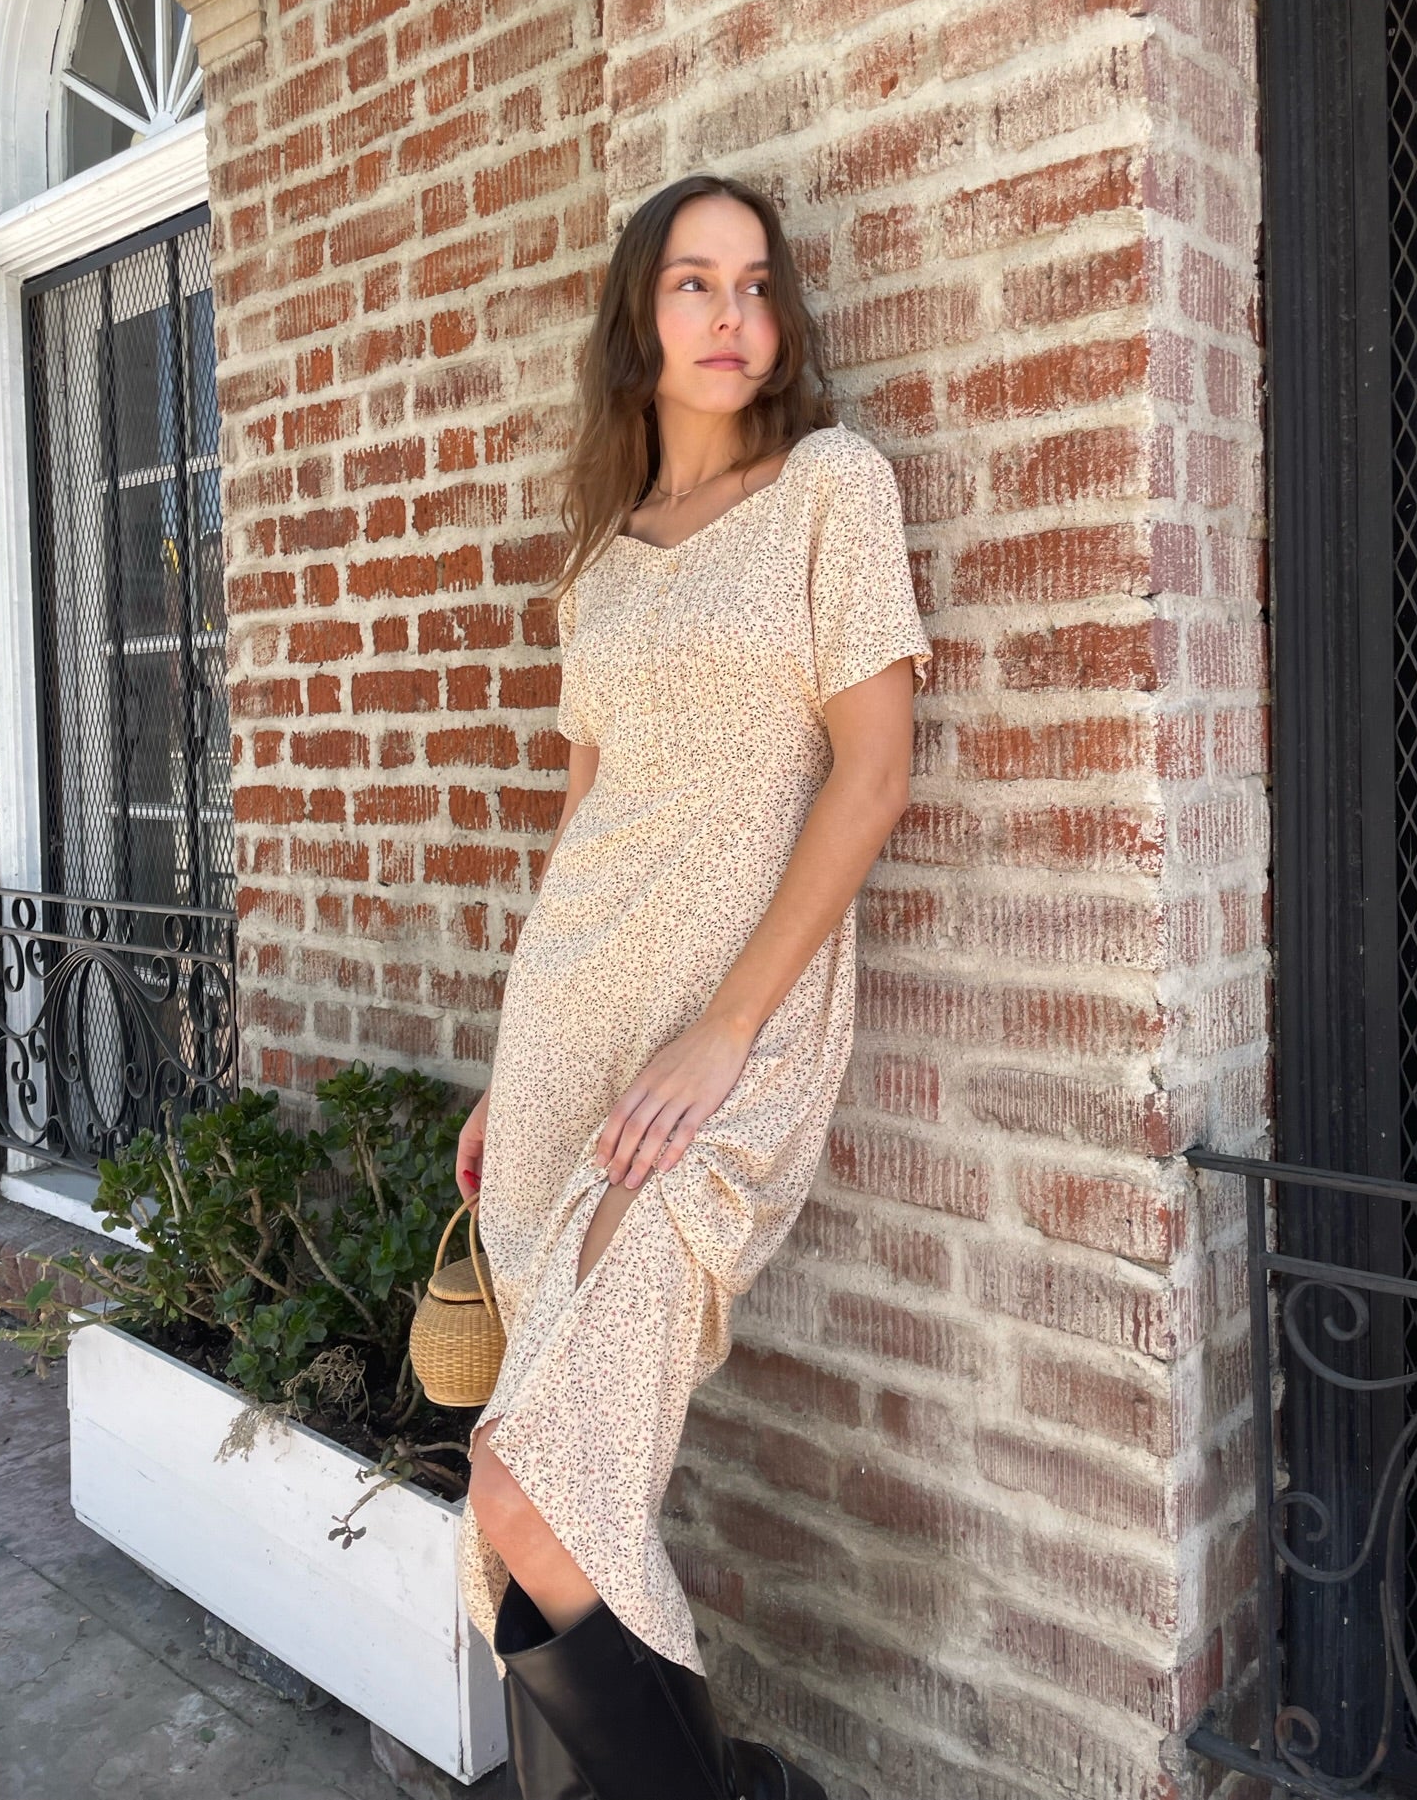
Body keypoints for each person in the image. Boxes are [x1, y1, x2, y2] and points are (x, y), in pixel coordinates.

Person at [452, 172, 931, 1800]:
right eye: (692, 282)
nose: (733, 314)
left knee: (525, 1482)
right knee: (543, 1504)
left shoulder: (832, 488)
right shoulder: (596, 564)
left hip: (725, 1039)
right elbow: (588, 815)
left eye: (756, 282)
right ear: (638, 321)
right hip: (569, 1031)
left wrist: (726, 1027)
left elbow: (873, 774)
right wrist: (513, 1066)